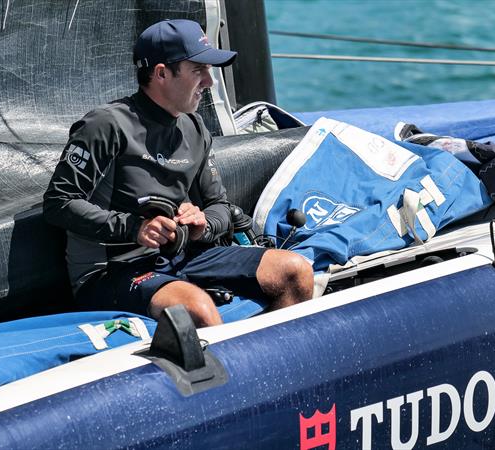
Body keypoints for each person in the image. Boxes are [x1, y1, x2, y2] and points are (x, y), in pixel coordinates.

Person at [43, 19, 313, 327]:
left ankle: (273, 371)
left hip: (184, 257)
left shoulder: (194, 128)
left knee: (296, 270)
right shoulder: (105, 126)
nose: (209, 82)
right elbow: (59, 203)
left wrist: (204, 226)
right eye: (199, 70)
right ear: (161, 74)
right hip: (113, 271)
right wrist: (134, 228)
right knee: (198, 308)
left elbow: (220, 207)